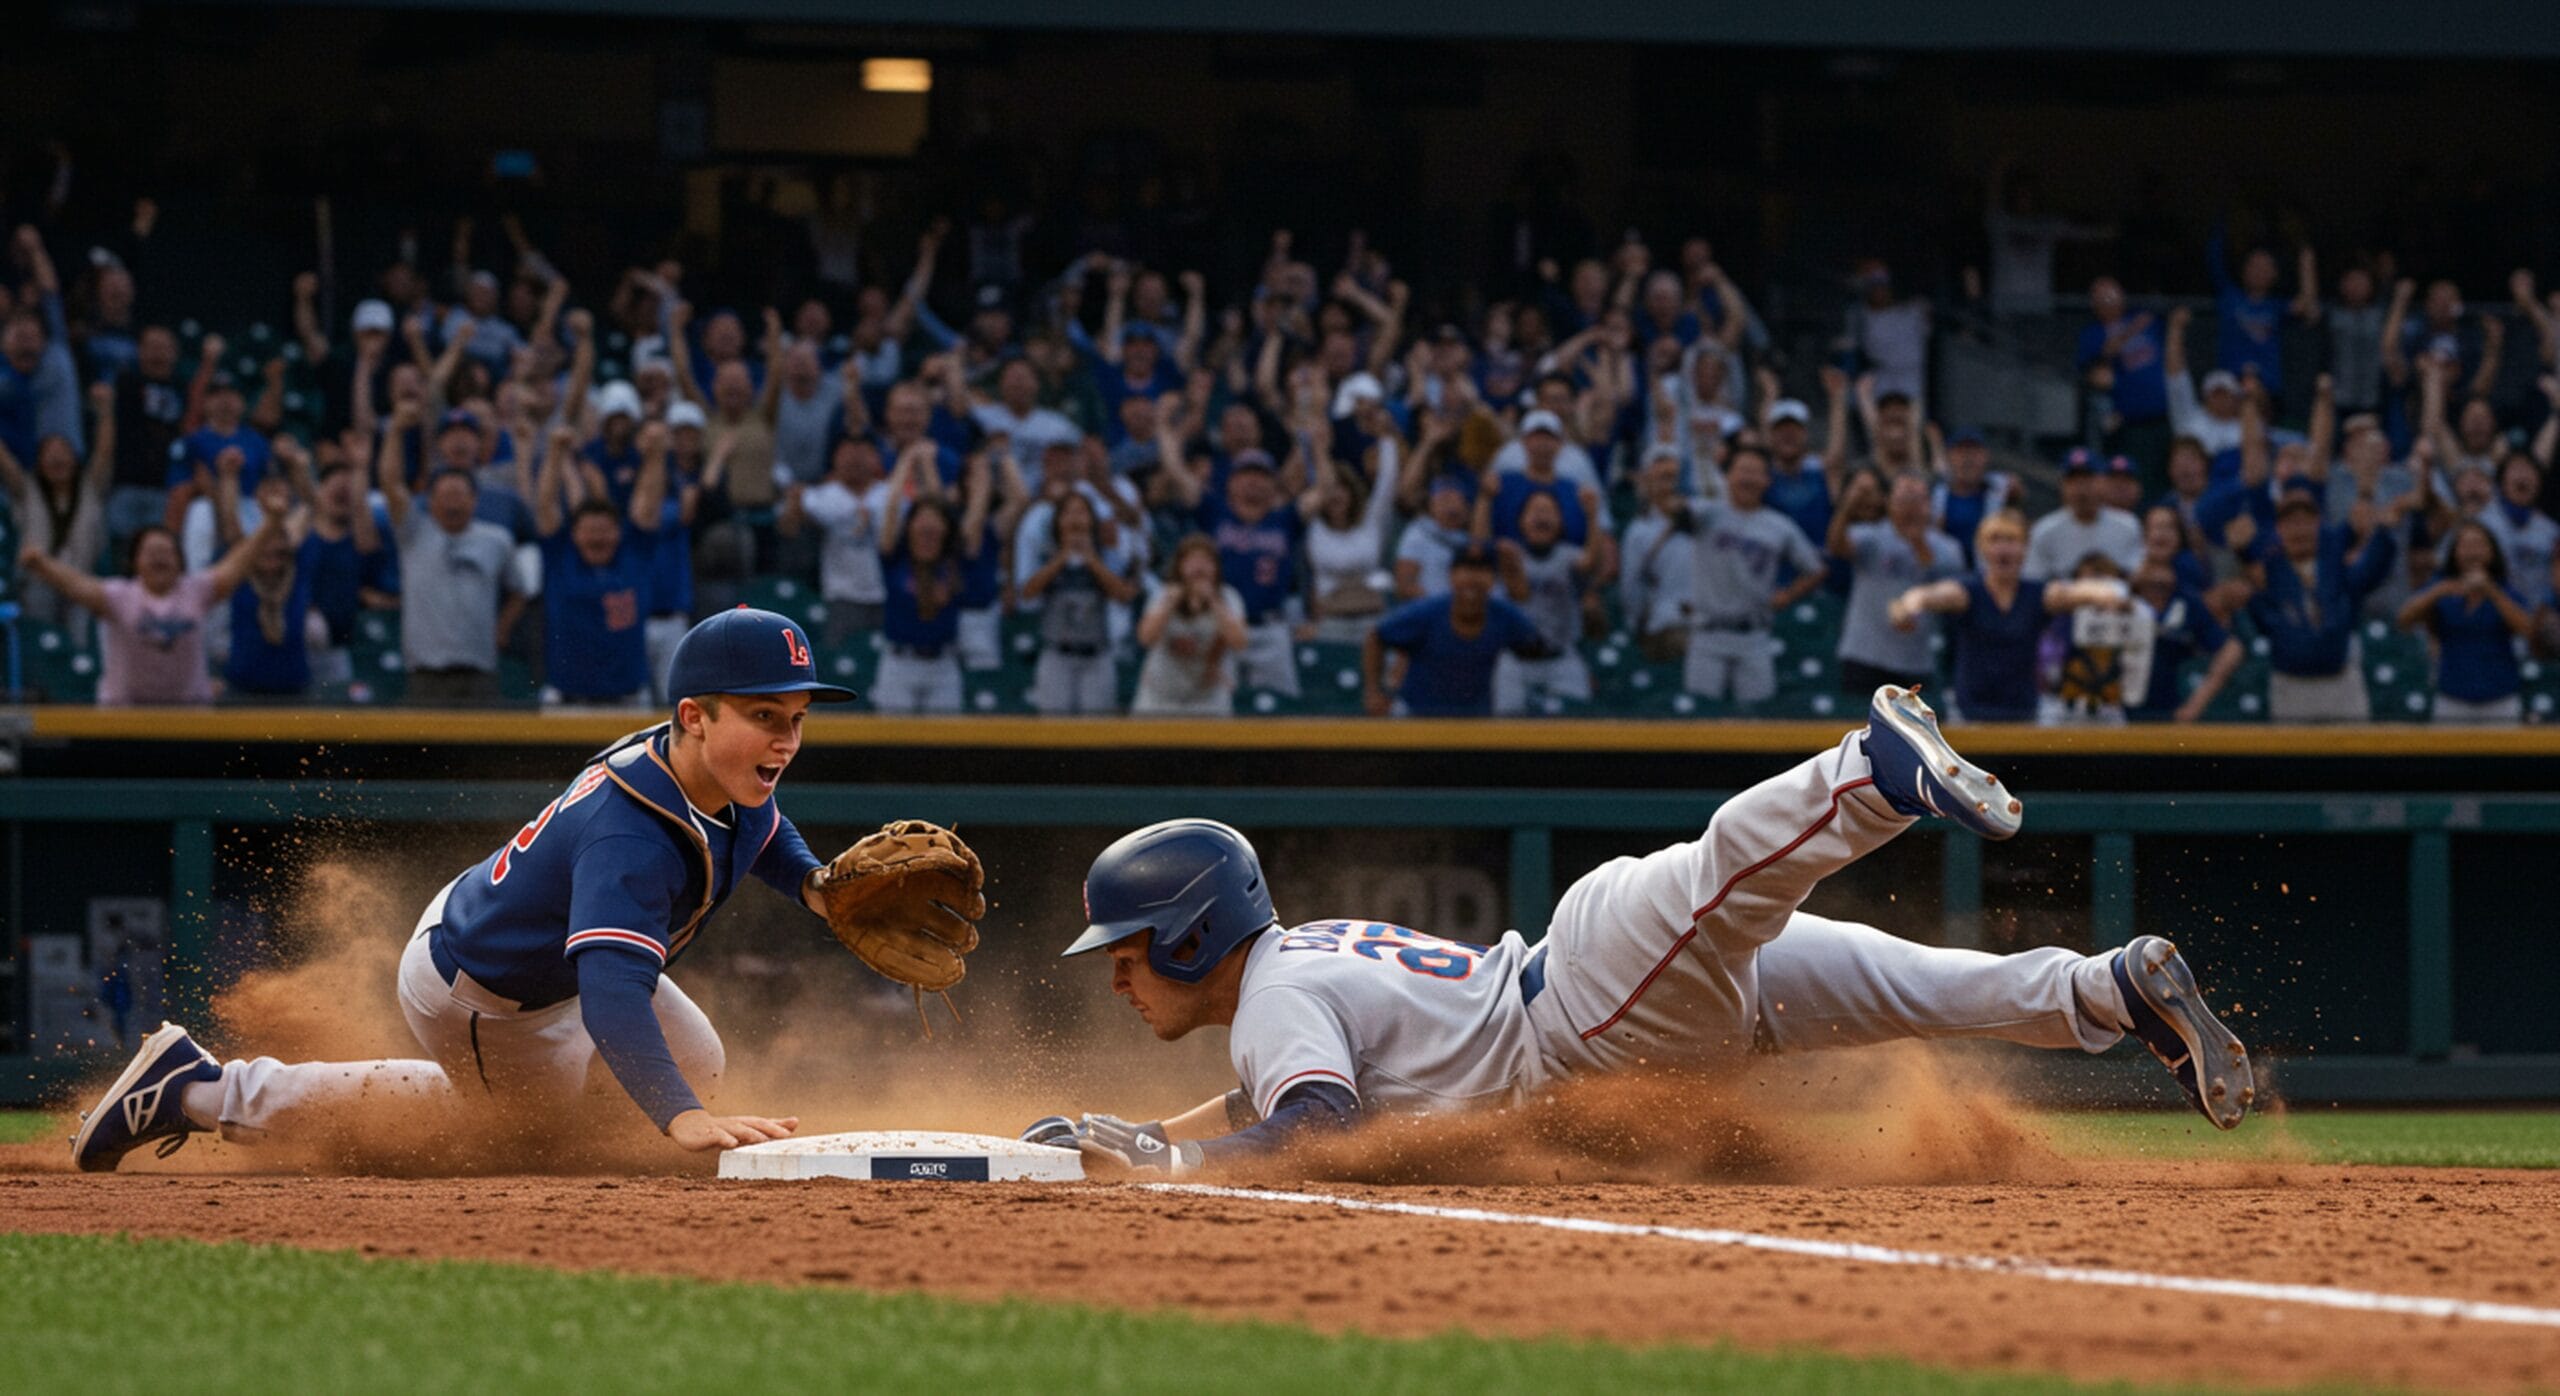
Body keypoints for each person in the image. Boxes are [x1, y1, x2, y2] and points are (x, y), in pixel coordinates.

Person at [1028, 688, 2253, 1180]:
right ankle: (2109, 991)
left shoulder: (1278, 1000)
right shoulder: (1288, 975)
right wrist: (1115, 1136)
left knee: (1728, 876)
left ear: (1193, 936)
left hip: (1587, 1013)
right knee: (1926, 986)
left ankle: (1871, 774)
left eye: (1130, 947)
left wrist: (1165, 1163)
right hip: (1600, 993)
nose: (1120, 975)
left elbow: (1311, 1126)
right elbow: (1262, 1103)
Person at [66, 609, 981, 1173]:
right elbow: (616, 987)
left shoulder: (716, 773)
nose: (783, 741)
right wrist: (681, 1121)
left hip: (528, 942)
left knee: (695, 1057)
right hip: (487, 992)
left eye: (795, 720)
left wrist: (818, 890)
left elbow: (764, 832)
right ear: (693, 718)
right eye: (762, 717)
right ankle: (206, 1091)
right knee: (523, 1137)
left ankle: (546, 1102)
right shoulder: (632, 834)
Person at [1887, 510, 2136, 722]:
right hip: (1970, 715)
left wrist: (2112, 595)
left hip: (2023, 715)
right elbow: (1927, 595)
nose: (2004, 548)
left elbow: (2079, 591)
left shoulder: (2039, 595)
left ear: (2025, 547)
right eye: (1995, 540)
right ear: (1983, 547)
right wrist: (1909, 606)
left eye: (2012, 540)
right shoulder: (1967, 592)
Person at [17, 511, 276, 706]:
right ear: (135, 562)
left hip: (190, 719)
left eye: (166, 552)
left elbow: (237, 563)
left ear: (180, 561)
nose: (159, 557)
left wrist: (271, 522)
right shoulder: (119, 595)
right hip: (126, 721)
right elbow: (76, 585)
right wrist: (41, 565)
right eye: (151, 552)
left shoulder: (196, 590)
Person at [381, 401, 532, 705]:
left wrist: (501, 630)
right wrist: (396, 431)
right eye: (445, 495)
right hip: (425, 673)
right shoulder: (414, 533)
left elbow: (520, 591)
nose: (453, 502)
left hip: (479, 672)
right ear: (431, 501)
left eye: (460, 494)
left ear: (475, 500)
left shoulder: (497, 539)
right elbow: (390, 484)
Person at [1670, 445, 1825, 706]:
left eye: (1756, 472)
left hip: (1754, 636)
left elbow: (1817, 569)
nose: (1748, 478)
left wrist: (1788, 595)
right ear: (1728, 476)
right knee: (1701, 722)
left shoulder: (1778, 525)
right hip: (1707, 633)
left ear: (1767, 480)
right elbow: (1678, 514)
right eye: (1742, 470)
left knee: (1757, 719)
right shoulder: (1707, 512)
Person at [532, 425, 667, 707]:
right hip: (567, 701)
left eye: (604, 530)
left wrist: (656, 454)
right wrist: (555, 452)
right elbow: (545, 505)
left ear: (618, 533)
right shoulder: (560, 556)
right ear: (575, 534)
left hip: (628, 700)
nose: (597, 537)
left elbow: (649, 504)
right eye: (589, 531)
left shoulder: (635, 555)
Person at [2246, 480, 2398, 722]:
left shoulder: (2335, 565)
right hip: (2291, 685)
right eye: (2292, 522)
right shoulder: (2268, 572)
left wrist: (2383, 534)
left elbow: (2370, 572)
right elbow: (2257, 618)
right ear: (2280, 528)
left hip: (2340, 683)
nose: (2300, 529)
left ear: (2318, 524)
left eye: (2306, 520)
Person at [1364, 544, 1549, 717]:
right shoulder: (1427, 612)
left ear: (1493, 579)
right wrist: (1373, 691)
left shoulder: (1505, 615)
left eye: (1481, 570)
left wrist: (1515, 572)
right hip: (1419, 719)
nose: (1472, 577)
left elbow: (1535, 647)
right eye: (1465, 569)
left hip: (1477, 722)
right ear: (1451, 575)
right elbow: (1377, 637)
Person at [1830, 470, 1960, 694]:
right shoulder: (1870, 536)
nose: (1910, 508)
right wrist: (1847, 507)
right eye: (1902, 500)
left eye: (1917, 500)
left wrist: (1918, 541)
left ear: (1929, 504)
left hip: (1916, 659)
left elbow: (1949, 587)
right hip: (1865, 655)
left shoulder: (1947, 547)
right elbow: (1837, 547)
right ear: (1888, 503)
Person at [1, 383, 114, 626]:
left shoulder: (89, 488)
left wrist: (105, 412)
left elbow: (104, 453)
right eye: (49, 452)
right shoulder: (26, 489)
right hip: (36, 583)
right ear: (39, 461)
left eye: (63, 451)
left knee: (82, 647)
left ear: (75, 458)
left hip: (82, 581)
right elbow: (4, 460)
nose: (57, 457)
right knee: (39, 638)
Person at [2397, 521, 2532, 723]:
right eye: (2466, 545)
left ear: (2492, 551)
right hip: (2452, 698)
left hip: (2500, 699)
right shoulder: (2441, 586)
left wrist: (2491, 592)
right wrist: (2438, 591)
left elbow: (2529, 630)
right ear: (2455, 551)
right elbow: (2404, 619)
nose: (2472, 552)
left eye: (2479, 545)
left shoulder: (2506, 591)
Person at [1021, 492, 1139, 714]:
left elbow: (1123, 595)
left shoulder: (1106, 555)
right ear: (1058, 521)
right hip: (1057, 655)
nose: (1075, 518)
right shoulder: (1046, 554)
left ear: (1092, 520)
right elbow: (1027, 593)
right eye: (1068, 513)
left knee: (1096, 736)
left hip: (1096, 655)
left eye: (1082, 512)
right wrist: (1061, 558)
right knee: (1055, 733)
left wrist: (1092, 560)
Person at [1491, 492, 1597, 714]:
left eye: (1549, 511)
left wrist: (1592, 516)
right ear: (1521, 521)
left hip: (1560, 658)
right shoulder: (1511, 554)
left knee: (1576, 727)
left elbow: (1591, 563)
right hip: (1515, 660)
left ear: (1560, 521)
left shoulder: (1569, 555)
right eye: (1535, 511)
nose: (1542, 515)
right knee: (1505, 729)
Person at [1132, 536, 1249, 717]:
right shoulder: (1163, 594)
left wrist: (1213, 602)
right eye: (1192, 560)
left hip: (1208, 698)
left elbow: (1239, 642)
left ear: (1217, 567)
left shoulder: (1229, 597)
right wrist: (1169, 605)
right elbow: (1145, 638)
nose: (1199, 567)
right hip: (1160, 697)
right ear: (1180, 566)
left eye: (1206, 561)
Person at [2025, 449, 2143, 581]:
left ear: (2103, 482)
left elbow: (2135, 578)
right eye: (2073, 480)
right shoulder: (2044, 530)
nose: (2080, 488)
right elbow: (2034, 581)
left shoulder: (2128, 525)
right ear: (2062, 486)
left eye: (2087, 479)